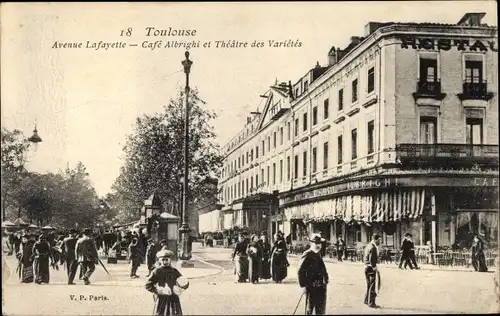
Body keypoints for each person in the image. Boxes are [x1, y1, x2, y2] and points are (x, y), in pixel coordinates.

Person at [145, 249, 189, 316]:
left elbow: (184, 282)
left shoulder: (174, 271)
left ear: (170, 260)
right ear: (160, 261)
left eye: (166, 260)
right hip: (161, 299)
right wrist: (158, 290)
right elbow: (148, 285)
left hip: (173, 298)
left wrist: (181, 288)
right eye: (163, 260)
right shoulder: (157, 271)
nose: (165, 262)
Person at [297, 234, 329, 315]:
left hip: (321, 286)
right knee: (309, 309)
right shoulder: (307, 254)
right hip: (311, 287)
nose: (318, 245)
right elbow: (300, 271)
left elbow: (323, 268)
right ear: (311, 244)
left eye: (319, 243)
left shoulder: (318, 254)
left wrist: (326, 278)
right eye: (316, 243)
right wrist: (303, 285)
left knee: (320, 309)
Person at [364, 233, 381, 308]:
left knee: (368, 285)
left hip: (366, 267)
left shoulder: (368, 245)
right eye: (379, 240)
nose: (380, 242)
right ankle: (371, 303)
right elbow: (372, 259)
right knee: (372, 286)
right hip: (371, 268)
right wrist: (374, 267)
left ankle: (366, 300)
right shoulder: (373, 247)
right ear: (375, 239)